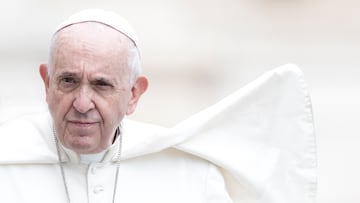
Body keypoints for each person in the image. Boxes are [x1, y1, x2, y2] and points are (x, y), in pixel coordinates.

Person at [0, 9, 317, 203]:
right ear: (46, 82)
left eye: (102, 85)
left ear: (134, 94)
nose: (82, 104)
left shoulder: (190, 176)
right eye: (68, 81)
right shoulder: (8, 163)